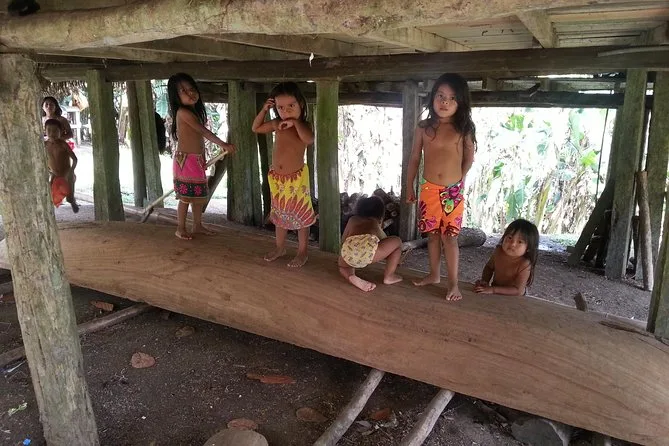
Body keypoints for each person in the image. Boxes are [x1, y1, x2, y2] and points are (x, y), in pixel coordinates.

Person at [405, 73, 476, 301]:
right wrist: (409, 185)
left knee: (450, 238)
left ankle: (453, 283)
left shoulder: (463, 128)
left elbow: (469, 157)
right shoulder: (423, 127)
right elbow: (414, 158)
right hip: (428, 190)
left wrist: (459, 179)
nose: (445, 102)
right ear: (433, 97)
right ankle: (434, 274)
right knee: (433, 236)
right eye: (441, 96)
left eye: (452, 98)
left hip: (453, 192)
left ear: (460, 102)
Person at [252, 82, 316, 268]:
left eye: (291, 106)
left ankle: (302, 251)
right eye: (280, 107)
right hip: (278, 180)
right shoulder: (276, 124)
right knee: (280, 215)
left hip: (297, 179)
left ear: (301, 104)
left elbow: (309, 139)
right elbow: (256, 128)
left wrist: (295, 123)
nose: (286, 111)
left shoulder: (304, 125)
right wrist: (264, 110)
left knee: (301, 215)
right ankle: (280, 247)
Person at [167, 73, 235, 240]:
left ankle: (197, 225)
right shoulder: (183, 112)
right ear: (176, 97)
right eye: (183, 91)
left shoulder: (193, 112)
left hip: (195, 160)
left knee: (198, 196)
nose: (190, 93)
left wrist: (202, 159)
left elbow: (198, 139)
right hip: (185, 161)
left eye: (191, 88)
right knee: (185, 198)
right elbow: (204, 132)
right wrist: (223, 144)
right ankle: (180, 228)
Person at [338, 196, 403, 292]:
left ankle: (350, 276)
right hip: (367, 253)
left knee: (343, 267)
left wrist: (343, 256)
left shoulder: (352, 220)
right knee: (397, 241)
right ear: (380, 216)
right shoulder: (375, 224)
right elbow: (385, 245)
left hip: (348, 251)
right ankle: (389, 276)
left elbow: (344, 240)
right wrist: (395, 259)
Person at [474, 219, 539, 296]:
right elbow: (489, 267)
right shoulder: (498, 252)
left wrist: (493, 289)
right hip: (496, 291)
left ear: (529, 248)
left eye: (520, 242)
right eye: (510, 238)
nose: (513, 244)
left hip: (516, 296)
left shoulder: (525, 264)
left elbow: (518, 290)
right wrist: (485, 281)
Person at [44, 119, 78, 212]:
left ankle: (73, 201)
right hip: (54, 174)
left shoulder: (63, 144)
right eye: (49, 130)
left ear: (61, 132)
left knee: (69, 198)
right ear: (45, 131)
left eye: (55, 131)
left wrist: (71, 171)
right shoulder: (44, 145)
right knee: (49, 196)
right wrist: (49, 171)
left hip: (67, 174)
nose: (52, 134)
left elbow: (75, 159)